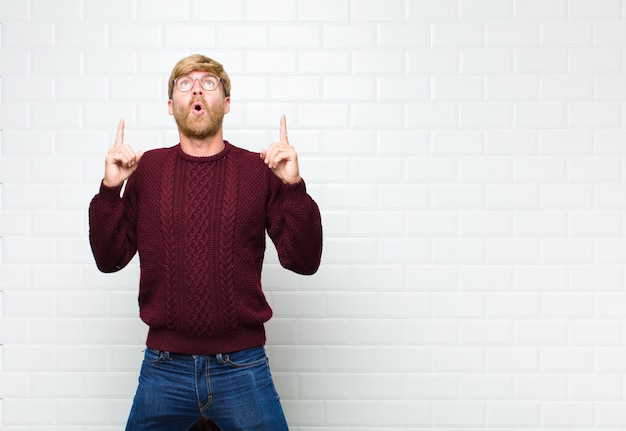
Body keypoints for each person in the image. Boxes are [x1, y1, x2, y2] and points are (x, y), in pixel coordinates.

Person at [88, 54, 323, 431]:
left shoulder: (258, 171)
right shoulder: (146, 171)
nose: (197, 88)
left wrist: (293, 187)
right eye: (185, 83)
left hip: (243, 366)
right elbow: (109, 258)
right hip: (164, 367)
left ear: (226, 104)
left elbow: (304, 260)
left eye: (209, 82)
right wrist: (110, 191)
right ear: (171, 106)